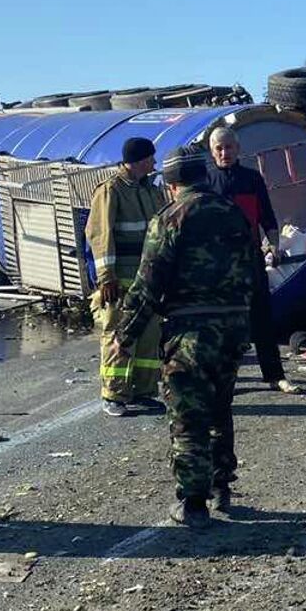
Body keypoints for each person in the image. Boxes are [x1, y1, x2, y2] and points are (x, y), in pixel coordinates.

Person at [114, 146, 259, 528]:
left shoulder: (170, 218)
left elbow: (147, 286)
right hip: (233, 329)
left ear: (171, 183)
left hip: (190, 332)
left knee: (188, 415)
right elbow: (254, 275)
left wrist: (124, 337)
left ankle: (193, 502)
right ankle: (221, 485)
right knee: (221, 407)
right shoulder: (233, 213)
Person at [206, 126, 298, 394]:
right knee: (225, 323)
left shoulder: (252, 179)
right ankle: (225, 380)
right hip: (220, 265)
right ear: (212, 152)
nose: (224, 153)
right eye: (219, 148)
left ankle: (274, 376)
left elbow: (267, 217)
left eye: (229, 147)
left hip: (251, 259)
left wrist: (274, 245)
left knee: (262, 320)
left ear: (238, 149)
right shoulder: (206, 182)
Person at [86, 136, 167, 416]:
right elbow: (100, 234)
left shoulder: (151, 190)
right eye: (151, 159)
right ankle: (114, 394)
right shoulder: (111, 191)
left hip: (149, 278)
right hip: (121, 279)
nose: (154, 164)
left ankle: (143, 391)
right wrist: (106, 276)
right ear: (139, 160)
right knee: (119, 334)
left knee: (150, 333)